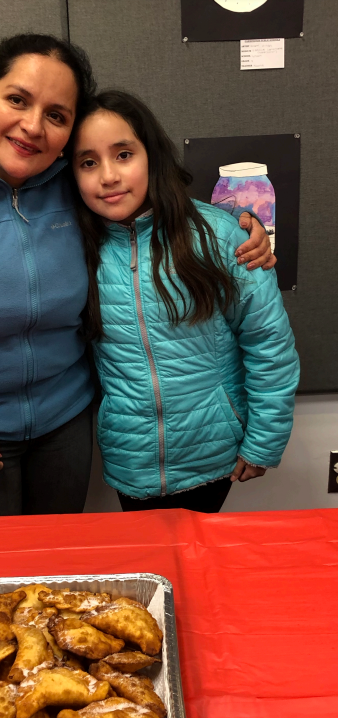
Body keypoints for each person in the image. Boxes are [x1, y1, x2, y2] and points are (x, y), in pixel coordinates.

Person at [0, 35, 274, 519]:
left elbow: (149, 212)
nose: (33, 126)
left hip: (66, 428)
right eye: (17, 100)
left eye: (56, 115)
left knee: (60, 575)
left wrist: (243, 223)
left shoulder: (69, 185)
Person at [71, 90, 300, 513]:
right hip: (131, 459)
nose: (108, 176)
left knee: (201, 567)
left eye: (123, 154)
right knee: (149, 568)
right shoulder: (73, 246)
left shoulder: (219, 235)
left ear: (151, 156)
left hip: (212, 453)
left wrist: (264, 440)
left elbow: (269, 343)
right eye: (88, 162)